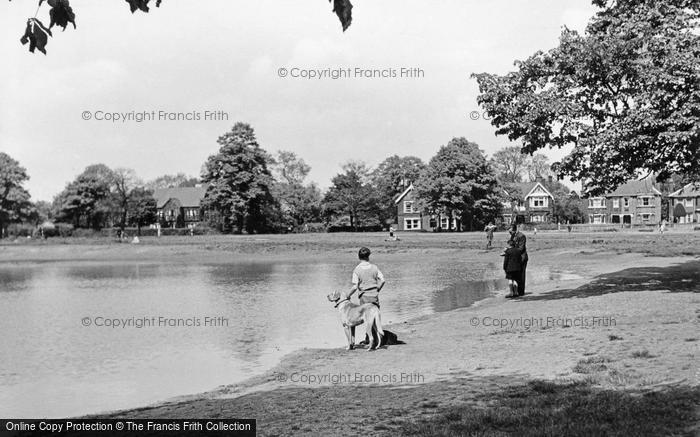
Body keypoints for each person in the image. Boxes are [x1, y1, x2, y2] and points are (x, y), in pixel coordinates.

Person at [348, 247, 385, 346]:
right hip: (374, 296)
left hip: (364, 296)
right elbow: (382, 280)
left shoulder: (357, 270)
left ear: (358, 257)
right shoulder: (374, 267)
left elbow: (355, 286)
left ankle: (369, 340)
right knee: (375, 318)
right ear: (368, 256)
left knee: (367, 319)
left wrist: (348, 295)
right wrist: (377, 289)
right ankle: (376, 340)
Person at [508, 223, 528, 296]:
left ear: (514, 230)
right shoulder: (512, 235)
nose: (509, 232)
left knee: (521, 274)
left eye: (510, 230)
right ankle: (514, 291)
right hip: (515, 258)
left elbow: (521, 248)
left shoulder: (521, 236)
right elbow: (511, 245)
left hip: (522, 257)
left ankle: (521, 292)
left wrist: (512, 251)